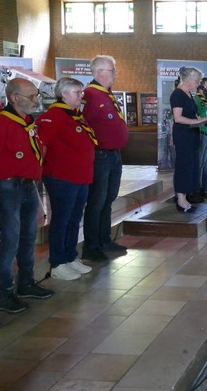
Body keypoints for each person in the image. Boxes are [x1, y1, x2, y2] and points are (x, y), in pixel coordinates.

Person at [0, 78, 54, 314]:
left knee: (28, 236)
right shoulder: (1, 124)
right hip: (7, 187)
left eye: (36, 96)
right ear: (14, 98)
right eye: (31, 97)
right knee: (10, 240)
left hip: (29, 186)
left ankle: (26, 282)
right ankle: (4, 292)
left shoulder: (28, 122)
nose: (36, 101)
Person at [36, 77, 96, 281]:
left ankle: (70, 256)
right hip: (62, 177)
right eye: (77, 92)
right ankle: (58, 262)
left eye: (81, 92)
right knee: (62, 219)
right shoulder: (54, 116)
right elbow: (40, 143)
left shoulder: (75, 116)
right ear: (63, 94)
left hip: (80, 176)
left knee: (74, 218)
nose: (81, 96)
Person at [81, 55, 129, 262]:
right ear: (100, 72)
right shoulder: (90, 95)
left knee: (108, 199)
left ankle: (104, 239)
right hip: (100, 156)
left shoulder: (106, 94)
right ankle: (91, 246)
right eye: (112, 71)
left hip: (114, 155)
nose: (115, 75)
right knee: (96, 201)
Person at [171, 67, 207, 212]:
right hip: (183, 135)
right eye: (196, 81)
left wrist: (204, 119)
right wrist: (196, 122)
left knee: (191, 166)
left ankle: (186, 196)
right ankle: (181, 200)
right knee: (183, 166)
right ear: (188, 79)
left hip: (192, 134)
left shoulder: (189, 94)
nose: (197, 84)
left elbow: (192, 116)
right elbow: (177, 118)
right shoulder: (177, 94)